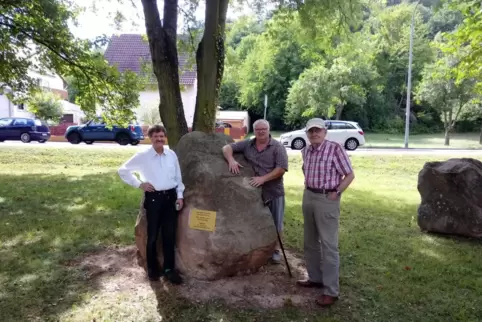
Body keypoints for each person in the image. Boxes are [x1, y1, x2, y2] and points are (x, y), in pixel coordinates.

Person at [297, 118, 355, 307]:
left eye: (318, 130)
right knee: (310, 241)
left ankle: (331, 290)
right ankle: (315, 278)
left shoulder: (335, 149)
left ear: (324, 132)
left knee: (329, 246)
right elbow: (306, 170)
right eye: (311, 131)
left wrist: (336, 192)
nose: (314, 134)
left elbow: (349, 174)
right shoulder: (305, 150)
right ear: (307, 133)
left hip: (327, 199)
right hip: (309, 196)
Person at [118, 125, 185, 284]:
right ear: (151, 138)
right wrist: (139, 184)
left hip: (170, 198)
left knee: (169, 235)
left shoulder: (171, 155)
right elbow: (123, 170)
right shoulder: (143, 156)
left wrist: (180, 195)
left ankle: (169, 269)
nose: (160, 139)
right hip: (154, 199)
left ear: (165, 137)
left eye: (162, 136)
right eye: (156, 137)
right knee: (153, 235)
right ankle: (152, 269)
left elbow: (178, 177)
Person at [222, 119, 288, 263]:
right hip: (253, 192)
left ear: (269, 129)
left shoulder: (277, 147)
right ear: (254, 130)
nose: (261, 131)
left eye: (263, 129)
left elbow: (281, 169)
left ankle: (275, 251)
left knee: (276, 223)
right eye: (258, 129)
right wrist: (231, 160)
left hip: (273, 191)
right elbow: (226, 148)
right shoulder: (248, 143)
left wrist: (263, 179)